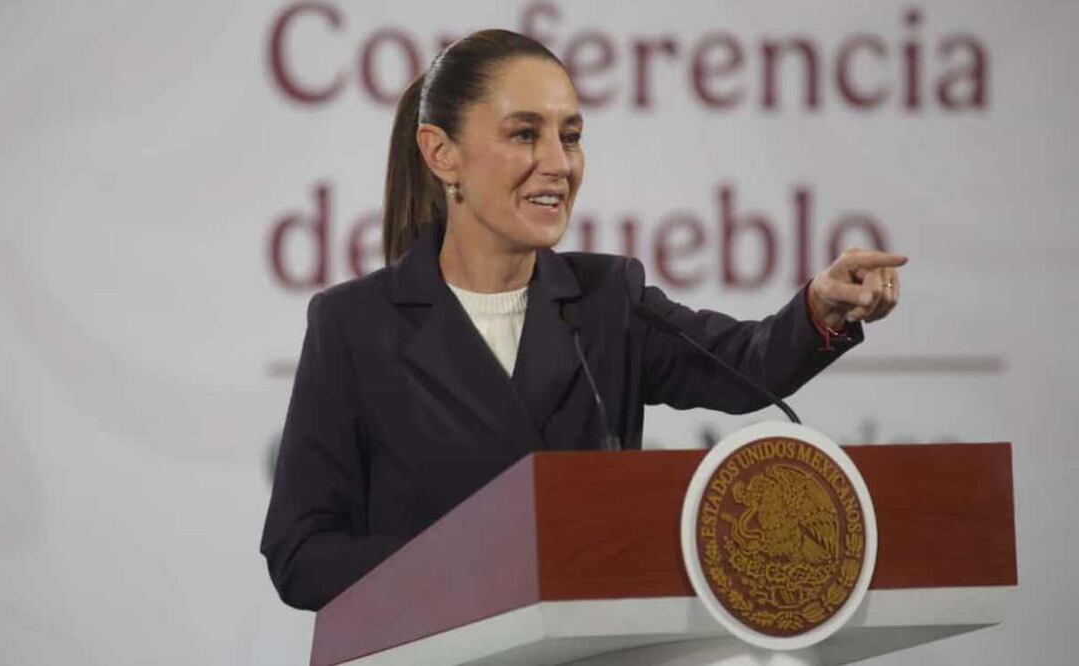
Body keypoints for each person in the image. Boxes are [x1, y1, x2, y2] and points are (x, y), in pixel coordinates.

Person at [260, 29, 906, 611]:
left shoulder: (606, 299)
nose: (559, 163)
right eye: (523, 134)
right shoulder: (355, 324)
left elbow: (742, 367)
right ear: (442, 154)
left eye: (569, 136)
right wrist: (464, 571)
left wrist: (819, 309)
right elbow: (302, 552)